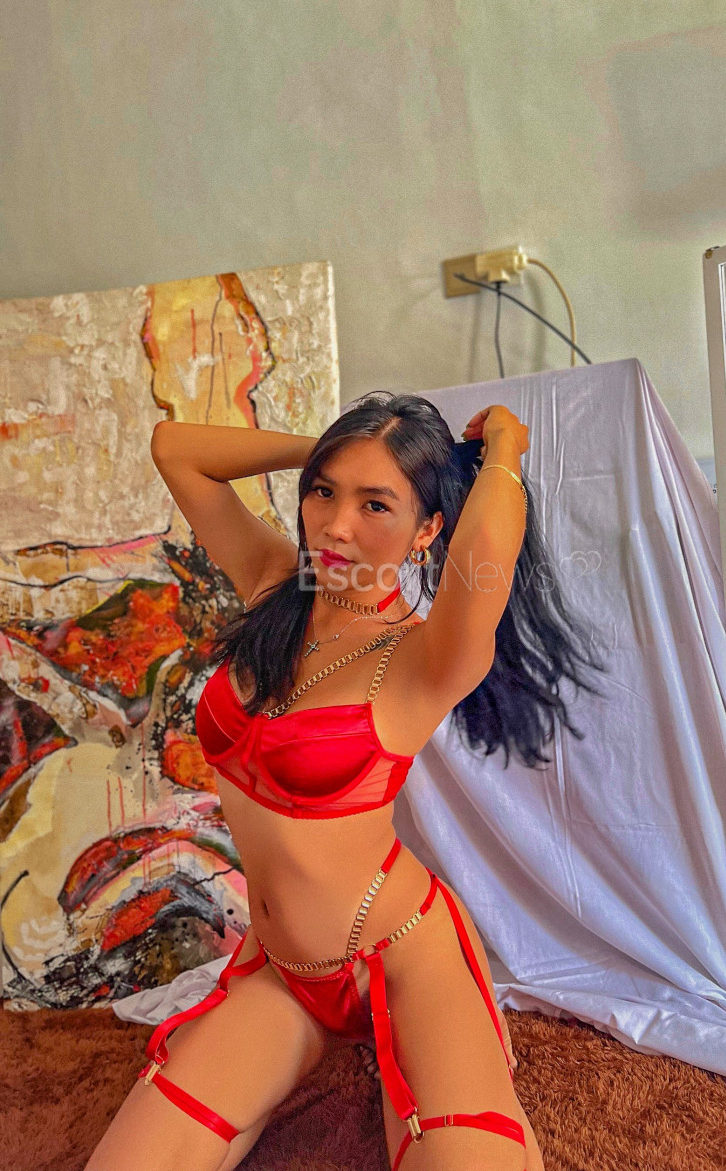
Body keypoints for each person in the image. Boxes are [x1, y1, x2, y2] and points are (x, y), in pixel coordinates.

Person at [87, 390, 604, 1171]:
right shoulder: (275, 586)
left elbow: (485, 558)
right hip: (282, 971)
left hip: (403, 958)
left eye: (376, 505)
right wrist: (330, 453)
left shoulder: (426, 657)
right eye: (324, 494)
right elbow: (175, 449)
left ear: (429, 530)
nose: (335, 526)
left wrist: (504, 446)